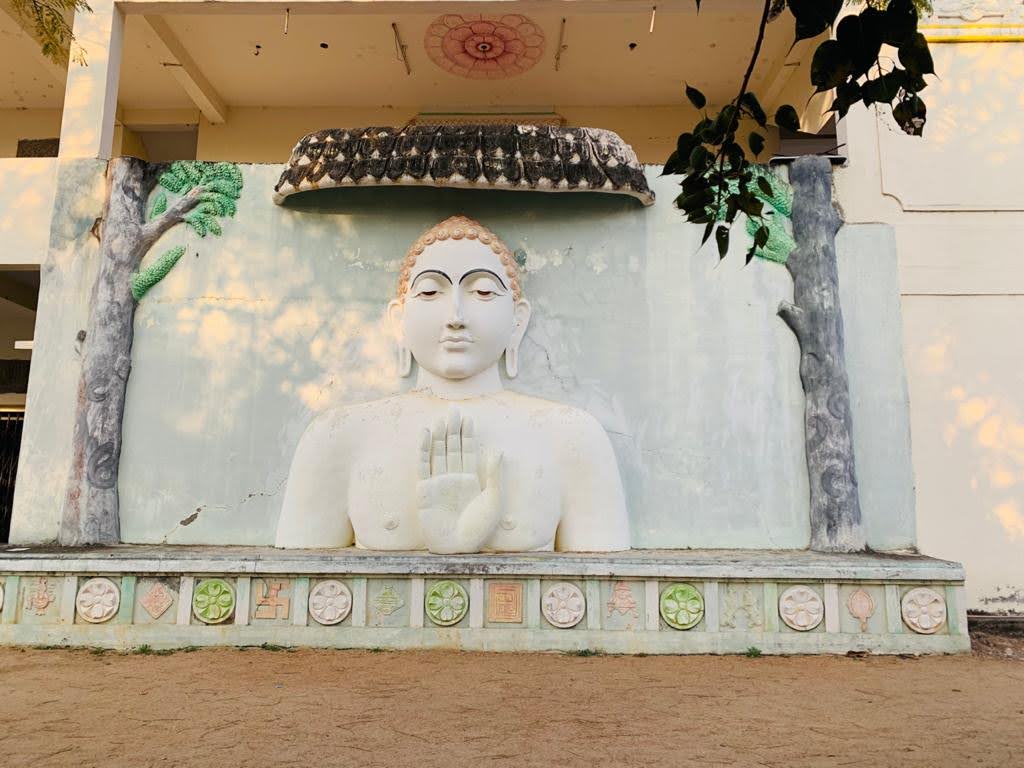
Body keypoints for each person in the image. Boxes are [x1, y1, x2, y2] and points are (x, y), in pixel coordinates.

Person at [275, 215, 630, 553]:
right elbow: (289, 596)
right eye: (430, 292)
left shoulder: (573, 437)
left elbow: (616, 598)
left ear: (518, 321)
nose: (455, 317)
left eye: (484, 292)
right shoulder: (336, 436)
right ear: (399, 320)